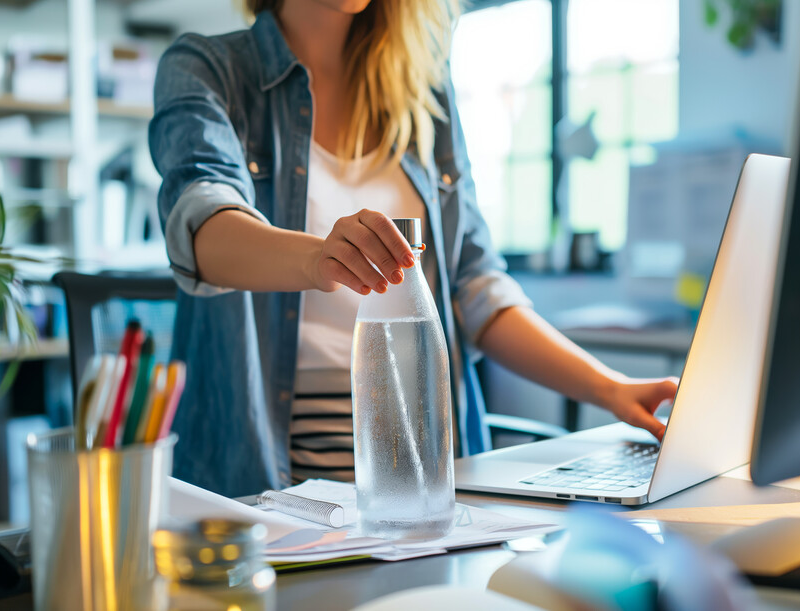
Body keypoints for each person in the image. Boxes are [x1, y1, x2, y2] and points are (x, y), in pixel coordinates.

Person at [150, 0, 679, 497]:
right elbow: (202, 226)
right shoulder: (206, 67)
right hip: (267, 479)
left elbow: (477, 290)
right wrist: (318, 258)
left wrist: (610, 389)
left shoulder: (425, 92)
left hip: (423, 476)